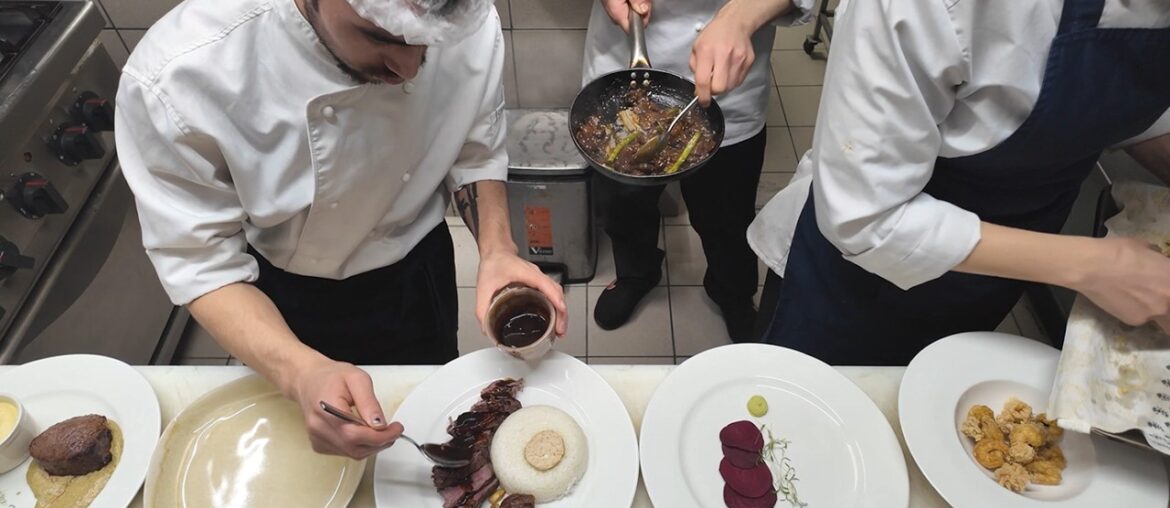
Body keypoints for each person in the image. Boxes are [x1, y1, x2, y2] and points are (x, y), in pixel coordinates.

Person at [115, 0, 568, 459]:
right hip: (286, 299)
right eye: (379, 38)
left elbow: (475, 148)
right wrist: (299, 372)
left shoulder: (463, 15)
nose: (409, 68)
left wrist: (497, 250)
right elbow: (200, 262)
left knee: (424, 412)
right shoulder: (178, 76)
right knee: (328, 451)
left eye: (428, 44)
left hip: (418, 266)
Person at [749, 0, 1170, 365]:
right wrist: (1095, 267)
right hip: (854, 285)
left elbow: (1115, 105)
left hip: (993, 276)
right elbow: (866, 220)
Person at [583, 0, 811, 341]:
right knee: (623, 209)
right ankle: (636, 275)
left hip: (730, 83)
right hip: (623, 59)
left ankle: (731, 292)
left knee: (728, 217)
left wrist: (742, 14)